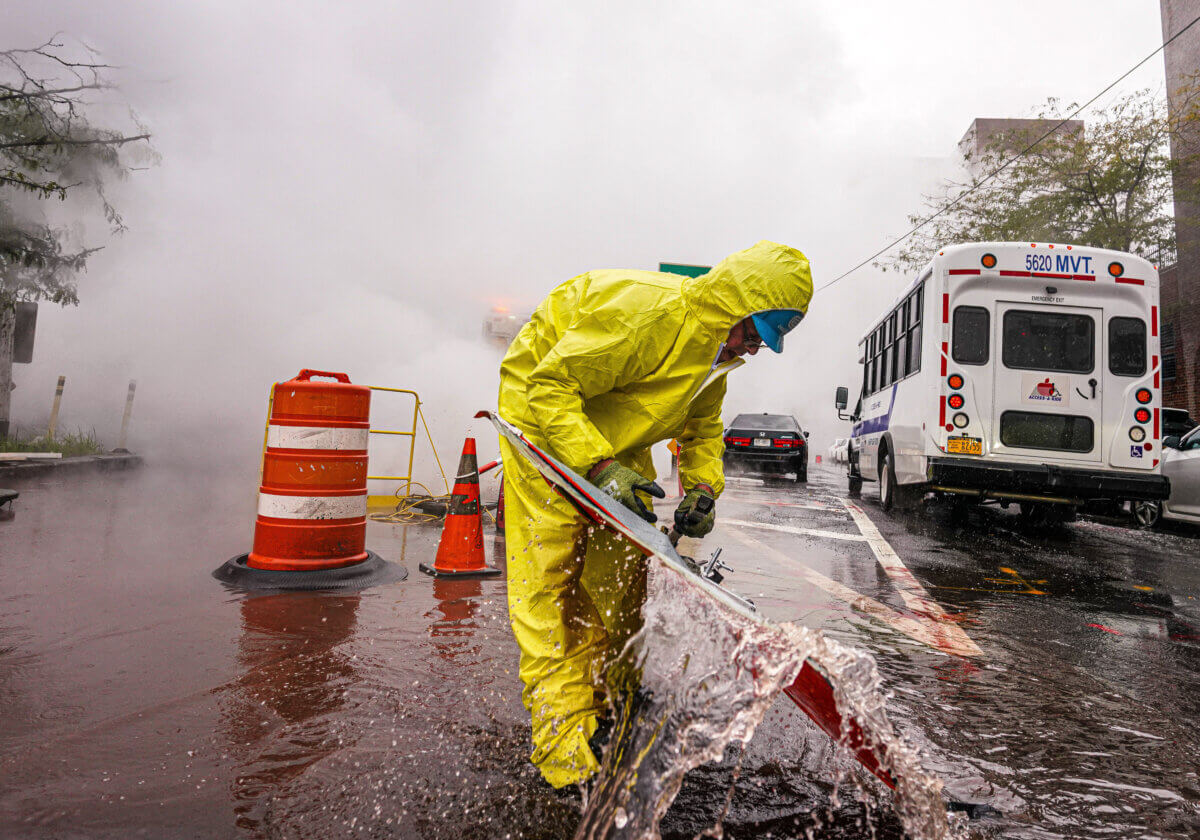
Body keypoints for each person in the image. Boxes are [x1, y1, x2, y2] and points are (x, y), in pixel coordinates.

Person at [496, 240, 813, 788]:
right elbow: (547, 387)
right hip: (545, 431)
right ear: (733, 306)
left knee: (621, 583)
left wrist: (703, 488)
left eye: (765, 341)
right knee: (553, 595)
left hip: (616, 437)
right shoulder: (652, 315)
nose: (754, 349)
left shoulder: (718, 357)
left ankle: (610, 702)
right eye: (753, 333)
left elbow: (702, 431)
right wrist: (595, 465)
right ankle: (566, 763)